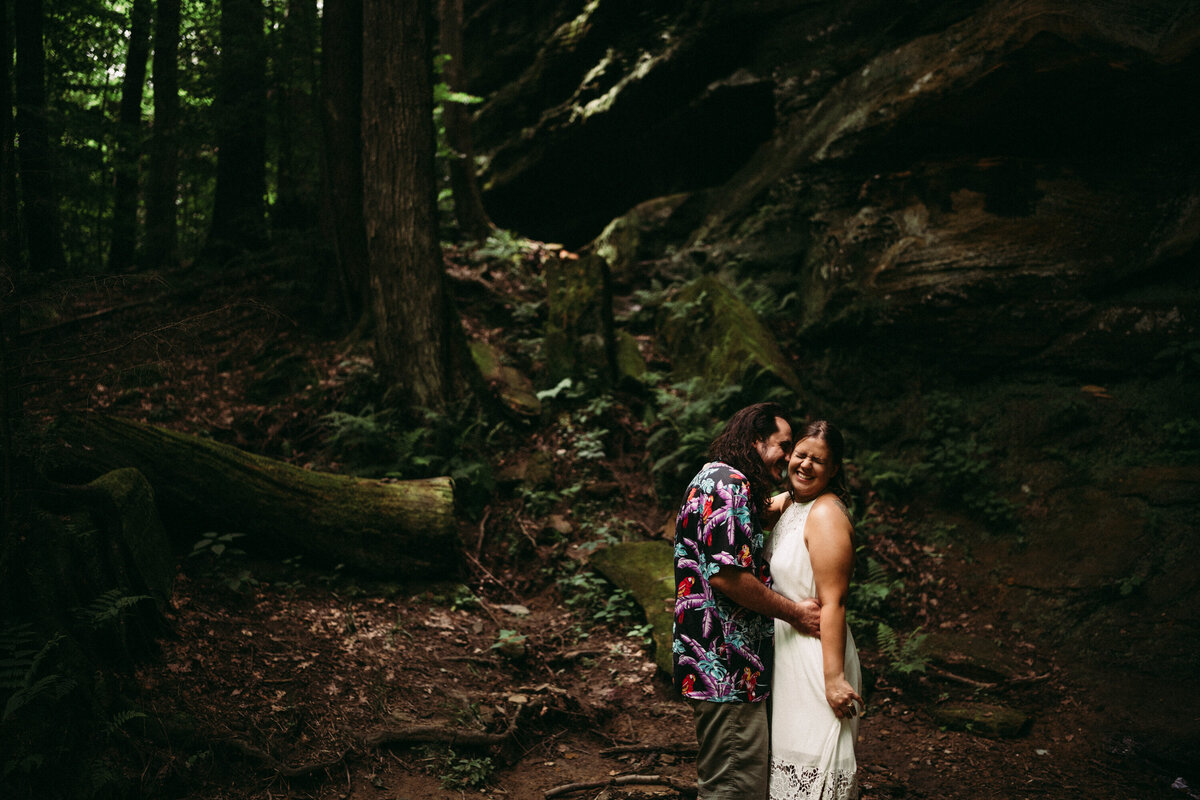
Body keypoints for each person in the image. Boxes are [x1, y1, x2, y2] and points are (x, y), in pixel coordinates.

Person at [673, 402, 822, 799]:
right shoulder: (730, 485)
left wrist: (798, 492)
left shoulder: (716, 479)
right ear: (756, 439)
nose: (790, 457)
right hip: (728, 669)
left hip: (721, 666)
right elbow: (729, 577)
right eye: (784, 445)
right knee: (733, 789)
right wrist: (796, 615)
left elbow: (754, 518)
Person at [765, 420, 864, 800]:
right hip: (787, 656)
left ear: (834, 469)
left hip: (816, 655)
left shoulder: (825, 514)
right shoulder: (791, 502)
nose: (805, 465)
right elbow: (741, 505)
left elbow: (834, 601)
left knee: (814, 769)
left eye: (818, 461)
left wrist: (834, 679)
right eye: (800, 455)